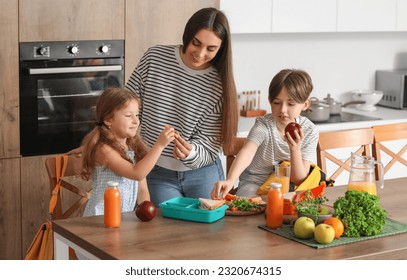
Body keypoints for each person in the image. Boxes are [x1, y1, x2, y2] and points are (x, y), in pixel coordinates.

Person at [125, 7, 238, 206]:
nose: (200, 53)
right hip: (156, 172)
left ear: (221, 48)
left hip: (203, 174)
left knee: (210, 235)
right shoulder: (155, 58)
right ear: (187, 35)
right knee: (163, 233)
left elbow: (210, 145)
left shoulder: (220, 84)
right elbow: (126, 107)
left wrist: (191, 153)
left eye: (211, 49)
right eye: (196, 43)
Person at [211, 69, 319, 199]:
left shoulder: (309, 131)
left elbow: (299, 180)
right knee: (261, 205)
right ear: (269, 100)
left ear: (305, 104)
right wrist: (230, 180)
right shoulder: (264, 125)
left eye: (290, 104)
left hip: (288, 188)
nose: (283, 110)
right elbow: (247, 152)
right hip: (254, 185)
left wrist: (295, 149)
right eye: (276, 103)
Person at [80, 87, 175, 217]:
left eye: (137, 115)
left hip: (123, 219)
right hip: (101, 219)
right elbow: (136, 173)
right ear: (108, 120)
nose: (136, 121)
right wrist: (159, 145)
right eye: (129, 116)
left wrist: (146, 215)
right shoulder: (104, 150)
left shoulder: (132, 147)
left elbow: (142, 190)